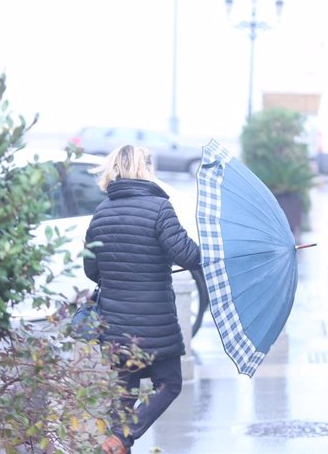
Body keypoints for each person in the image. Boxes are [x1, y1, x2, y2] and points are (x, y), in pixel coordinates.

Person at [83, 144, 201, 454]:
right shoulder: (159, 208)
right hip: (154, 323)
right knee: (169, 384)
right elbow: (188, 256)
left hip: (115, 324)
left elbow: (91, 269)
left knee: (125, 393)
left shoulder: (101, 211)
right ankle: (121, 439)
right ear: (144, 169)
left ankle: (118, 442)